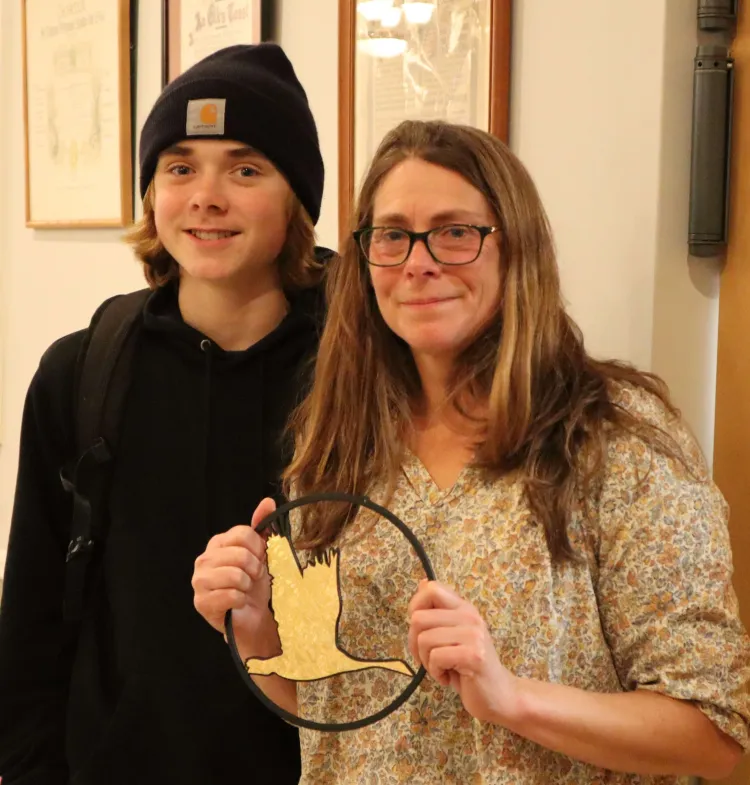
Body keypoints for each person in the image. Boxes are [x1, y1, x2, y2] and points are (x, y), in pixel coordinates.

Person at [193, 119, 750, 784]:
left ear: (514, 249)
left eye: (456, 232)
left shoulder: (618, 439)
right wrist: (254, 625)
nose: (418, 262)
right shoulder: (339, 440)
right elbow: (337, 703)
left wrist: (512, 697)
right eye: (393, 235)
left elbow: (714, 732)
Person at [0, 43, 330, 784]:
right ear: (153, 193)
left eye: (246, 169)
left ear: (297, 199)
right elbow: (30, 627)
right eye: (179, 167)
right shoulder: (80, 375)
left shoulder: (360, 373)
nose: (206, 197)